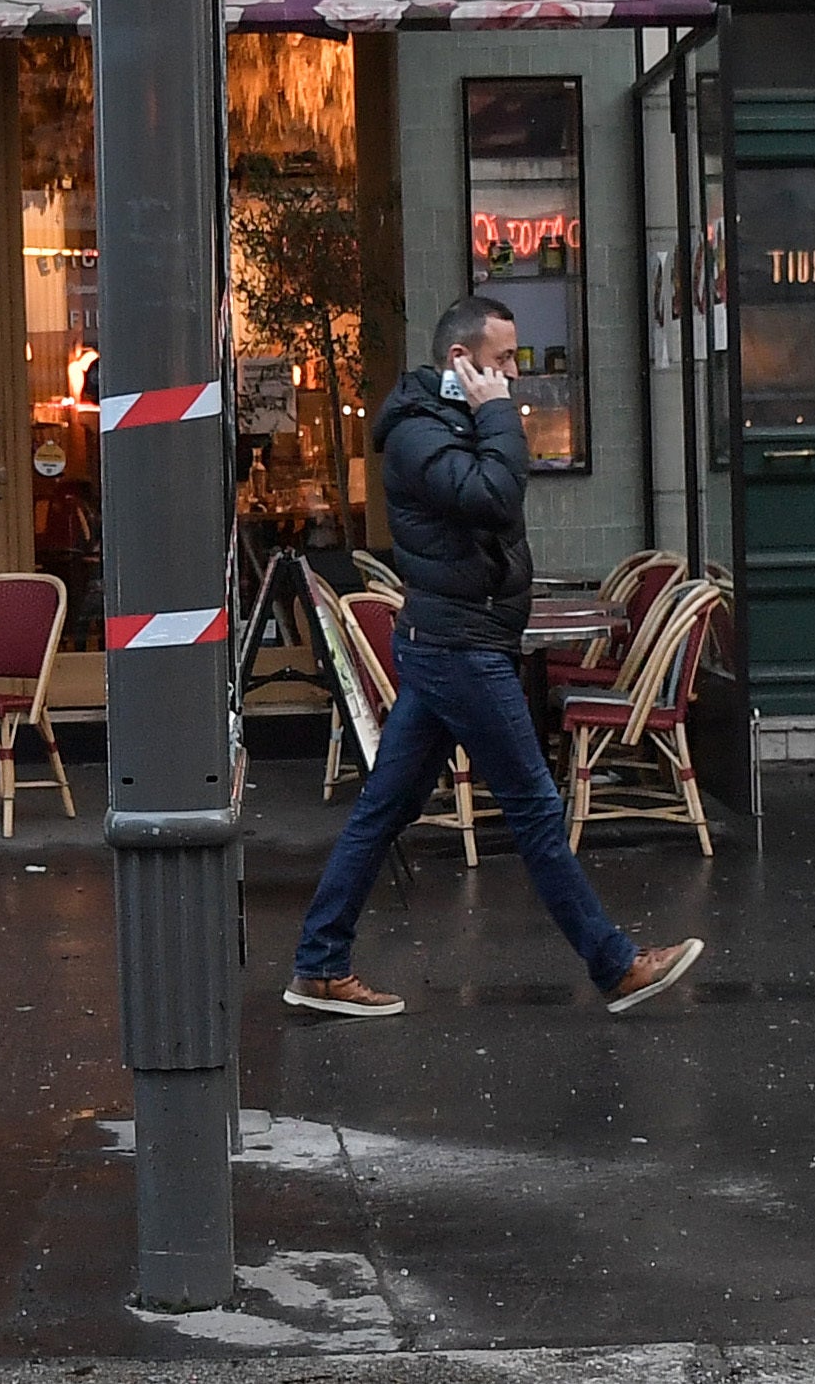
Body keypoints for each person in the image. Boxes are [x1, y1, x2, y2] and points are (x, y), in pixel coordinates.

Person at [287, 294, 702, 1023]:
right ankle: (614, 964)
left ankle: (321, 963)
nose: (513, 372)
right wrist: (498, 417)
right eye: (503, 359)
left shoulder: (453, 423)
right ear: (461, 360)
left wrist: (491, 421)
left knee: (385, 810)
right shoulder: (420, 434)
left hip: (454, 643)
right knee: (537, 809)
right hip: (460, 650)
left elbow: (495, 503)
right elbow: (495, 493)